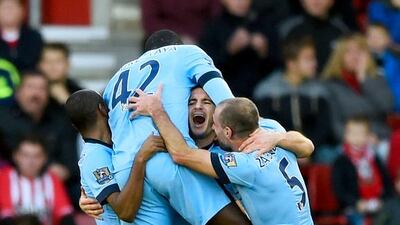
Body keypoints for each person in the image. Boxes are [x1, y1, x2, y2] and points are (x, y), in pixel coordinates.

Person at [102, 29, 249, 225]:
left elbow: (98, 138)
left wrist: (94, 188)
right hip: (167, 157)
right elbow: (229, 105)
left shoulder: (113, 81)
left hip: (125, 174)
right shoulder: (186, 53)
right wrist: (257, 133)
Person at [129, 90, 314, 225]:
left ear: (227, 131)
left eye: (215, 125)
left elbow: (181, 154)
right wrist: (280, 137)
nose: (213, 129)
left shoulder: (244, 165)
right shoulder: (272, 130)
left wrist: (156, 111)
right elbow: (308, 146)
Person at [65, 90, 168, 224]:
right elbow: (125, 212)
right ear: (102, 109)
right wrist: (140, 158)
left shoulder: (114, 142)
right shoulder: (93, 158)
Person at [0, 71, 80, 205]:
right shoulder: (4, 120)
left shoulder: (59, 120)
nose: (35, 94)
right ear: (18, 92)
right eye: (30, 87)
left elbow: (70, 155)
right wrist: (47, 167)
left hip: (58, 184)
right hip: (13, 181)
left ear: (48, 94)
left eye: (41, 89)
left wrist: (65, 170)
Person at [254, 37, 333, 150]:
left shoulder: (319, 90)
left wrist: (307, 149)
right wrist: (290, 148)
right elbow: (266, 126)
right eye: (308, 59)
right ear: (291, 63)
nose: (314, 64)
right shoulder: (267, 90)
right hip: (279, 148)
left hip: (315, 151)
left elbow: (323, 127)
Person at [322, 33, 394, 143]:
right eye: (349, 51)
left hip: (380, 138)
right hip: (349, 141)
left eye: (359, 51)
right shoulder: (331, 84)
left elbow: (388, 106)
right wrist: (357, 141)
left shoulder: (377, 78)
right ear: (340, 56)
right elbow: (335, 123)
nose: (355, 56)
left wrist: (365, 79)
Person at [199, 0, 279, 98]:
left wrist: (264, 51)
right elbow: (205, 69)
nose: (241, 2)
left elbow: (280, 65)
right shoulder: (213, 27)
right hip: (227, 94)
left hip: (263, 93)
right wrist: (229, 50)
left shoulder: (264, 24)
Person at [0, 136, 75, 225]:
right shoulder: (4, 177)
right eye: (25, 155)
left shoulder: (52, 179)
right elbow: (5, 215)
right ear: (15, 156)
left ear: (45, 158)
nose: (31, 161)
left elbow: (65, 214)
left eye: (37, 156)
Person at [332, 116, 394, 225]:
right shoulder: (341, 160)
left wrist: (383, 201)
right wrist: (356, 203)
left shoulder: (374, 157)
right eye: (352, 133)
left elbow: (387, 181)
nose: (356, 137)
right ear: (346, 136)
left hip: (378, 204)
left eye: (360, 134)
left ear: (368, 136)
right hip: (354, 207)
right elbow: (339, 189)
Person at [279, 0, 349, 72]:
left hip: (336, 81)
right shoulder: (288, 30)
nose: (316, 1)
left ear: (332, 1)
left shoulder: (341, 30)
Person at [140, 0, 221, 44]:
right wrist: (178, 37)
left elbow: (216, 16)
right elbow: (150, 21)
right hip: (165, 41)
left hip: (201, 40)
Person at [0, 0, 43, 71]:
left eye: (12, 7)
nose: (9, 11)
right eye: (5, 8)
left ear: (22, 11)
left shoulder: (34, 37)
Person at [366, 23, 400, 114]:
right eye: (370, 36)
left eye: (379, 35)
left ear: (389, 39)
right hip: (384, 109)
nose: (374, 39)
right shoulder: (365, 62)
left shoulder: (396, 57)